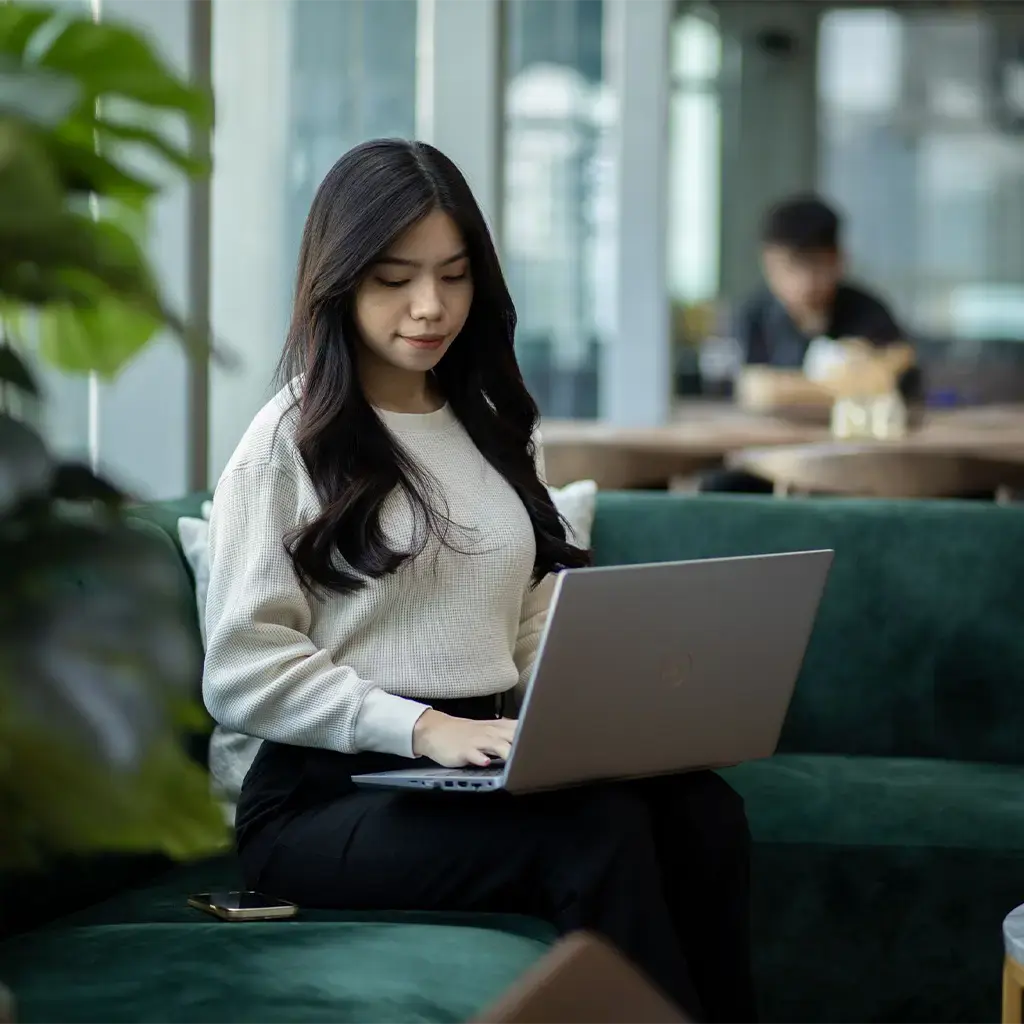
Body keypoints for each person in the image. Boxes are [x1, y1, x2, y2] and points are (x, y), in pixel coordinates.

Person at [203, 138, 756, 1024]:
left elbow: (527, 613)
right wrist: (424, 729)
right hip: (323, 800)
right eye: (394, 278)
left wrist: (612, 722)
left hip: (481, 765)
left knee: (703, 811)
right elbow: (241, 669)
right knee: (592, 835)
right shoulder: (284, 444)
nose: (430, 306)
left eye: (454, 275)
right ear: (338, 282)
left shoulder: (494, 427)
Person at [702, 193, 915, 493]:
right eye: (791, 267)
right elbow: (753, 391)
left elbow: (891, 380)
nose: (805, 282)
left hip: (853, 461)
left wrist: (788, 390)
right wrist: (848, 384)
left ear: (839, 260)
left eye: (817, 266)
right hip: (767, 458)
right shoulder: (751, 317)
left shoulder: (868, 311)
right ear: (769, 263)